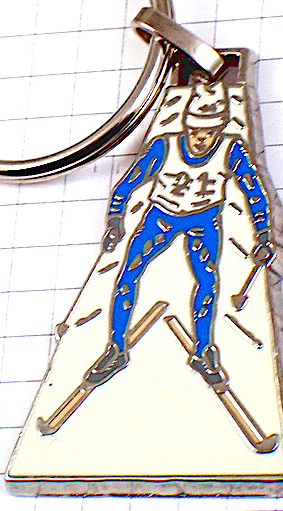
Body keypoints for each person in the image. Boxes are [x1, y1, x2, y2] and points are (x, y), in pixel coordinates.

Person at [84, 80, 273, 387]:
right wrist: (115, 220)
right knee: (128, 275)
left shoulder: (231, 150)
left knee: (207, 281)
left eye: (209, 132)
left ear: (220, 129)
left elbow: (254, 192)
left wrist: (264, 234)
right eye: (195, 130)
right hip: (161, 218)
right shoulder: (164, 146)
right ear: (186, 125)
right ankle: (115, 349)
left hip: (203, 221)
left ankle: (204, 351)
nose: (200, 139)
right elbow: (128, 183)